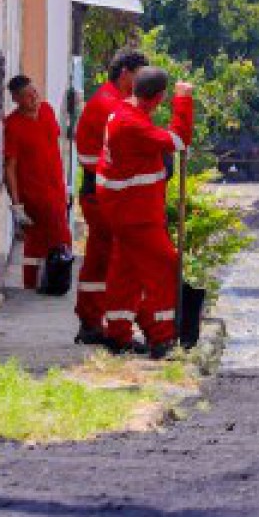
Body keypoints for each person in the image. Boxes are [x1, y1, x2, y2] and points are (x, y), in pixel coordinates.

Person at [95, 67, 194, 358]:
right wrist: (184, 101)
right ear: (159, 98)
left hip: (124, 208)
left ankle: (117, 333)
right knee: (165, 267)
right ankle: (163, 339)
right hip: (136, 213)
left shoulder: (123, 113)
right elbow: (178, 141)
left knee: (125, 271)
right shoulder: (132, 124)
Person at [73, 50, 147, 343]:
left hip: (102, 190)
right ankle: (102, 324)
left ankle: (93, 321)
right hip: (103, 192)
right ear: (125, 73)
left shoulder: (110, 100)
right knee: (111, 259)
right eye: (139, 74)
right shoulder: (110, 105)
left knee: (100, 258)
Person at [2, 76, 73, 290]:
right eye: (27, 95)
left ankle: (54, 283)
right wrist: (16, 205)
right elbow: (10, 167)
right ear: (16, 99)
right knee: (40, 242)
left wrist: (65, 184)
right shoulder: (12, 125)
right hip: (33, 195)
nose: (34, 98)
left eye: (35, 92)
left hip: (56, 189)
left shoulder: (48, 111)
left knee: (56, 238)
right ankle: (34, 285)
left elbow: (55, 146)